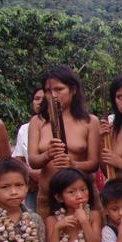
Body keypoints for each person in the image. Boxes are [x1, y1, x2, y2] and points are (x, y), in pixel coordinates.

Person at [28, 66, 100, 220]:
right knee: (50, 240)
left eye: (59, 89)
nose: (53, 95)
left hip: (81, 196)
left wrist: (73, 165)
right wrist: (48, 154)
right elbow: (33, 161)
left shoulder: (89, 121)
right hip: (49, 194)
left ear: (73, 90)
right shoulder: (37, 121)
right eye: (48, 90)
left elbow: (94, 163)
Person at [12, 87, 44, 211]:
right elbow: (18, 158)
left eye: (43, 99)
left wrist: (43, 176)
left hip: (55, 183)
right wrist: (31, 174)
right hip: (32, 186)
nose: (40, 102)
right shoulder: (24, 129)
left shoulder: (60, 126)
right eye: (36, 99)